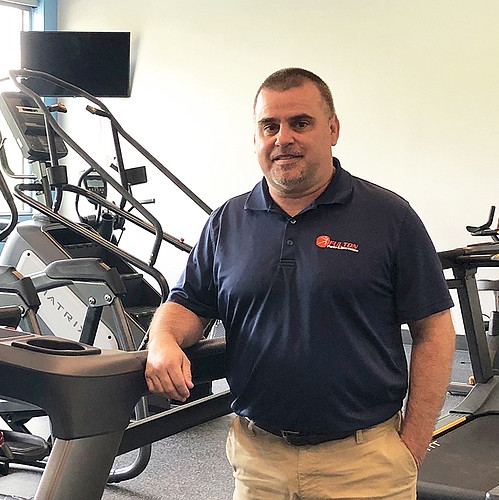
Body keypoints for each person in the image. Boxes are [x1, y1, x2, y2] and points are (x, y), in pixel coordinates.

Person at [144, 67, 456, 499]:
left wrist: (413, 447)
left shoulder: (389, 217)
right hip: (258, 461)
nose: (282, 138)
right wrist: (162, 339)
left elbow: (434, 330)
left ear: (332, 129)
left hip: (364, 464)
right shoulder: (228, 221)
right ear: (256, 138)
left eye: (300, 123)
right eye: (269, 126)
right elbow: (189, 304)